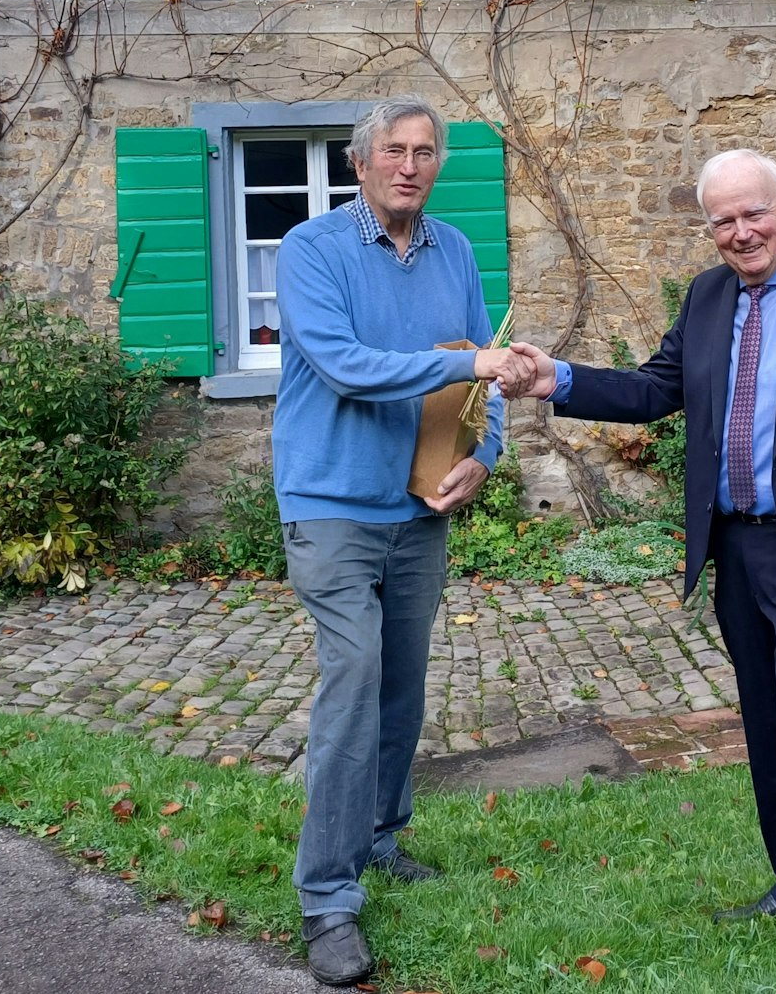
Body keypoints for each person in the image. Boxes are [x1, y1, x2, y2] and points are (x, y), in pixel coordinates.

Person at [506, 149, 776, 990]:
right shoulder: (707, 298)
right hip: (737, 552)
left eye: (753, 214)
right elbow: (656, 389)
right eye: (723, 221)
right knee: (769, 736)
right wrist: (558, 378)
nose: (741, 233)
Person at [272, 96, 535, 987]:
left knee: (400, 688)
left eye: (425, 152)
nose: (410, 166)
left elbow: (481, 369)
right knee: (351, 680)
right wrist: (472, 366)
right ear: (361, 162)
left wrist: (484, 457)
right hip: (330, 504)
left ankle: (379, 836)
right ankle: (328, 899)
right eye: (394, 150)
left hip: (420, 509)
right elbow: (346, 365)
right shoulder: (311, 250)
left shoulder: (453, 250)